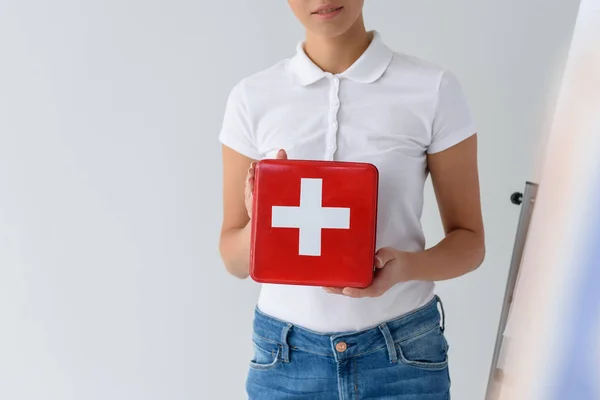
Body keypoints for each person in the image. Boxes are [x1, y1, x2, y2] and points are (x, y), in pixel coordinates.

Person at [218, 1, 485, 398]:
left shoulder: (432, 88)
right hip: (286, 360)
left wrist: (406, 267)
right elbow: (233, 259)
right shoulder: (252, 98)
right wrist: (262, 223)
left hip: (403, 355)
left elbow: (470, 242)